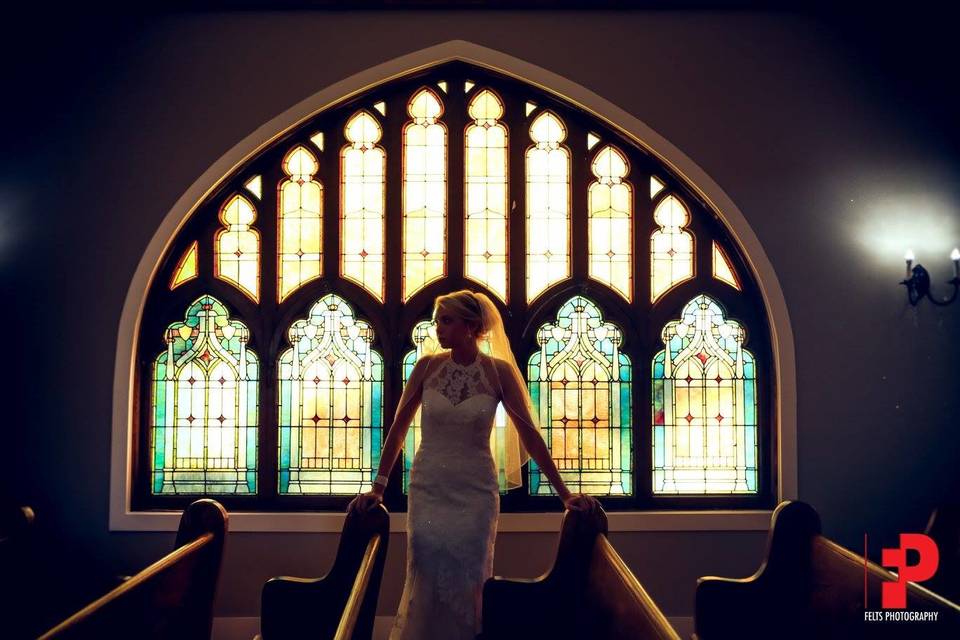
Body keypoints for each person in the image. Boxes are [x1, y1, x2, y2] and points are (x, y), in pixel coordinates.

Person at [347, 289, 600, 639]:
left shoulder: (498, 373)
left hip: (476, 492)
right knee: (425, 566)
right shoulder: (426, 368)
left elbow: (530, 436)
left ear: (472, 326)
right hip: (429, 488)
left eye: (447, 321)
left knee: (470, 574)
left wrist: (564, 494)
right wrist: (379, 486)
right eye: (437, 321)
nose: (438, 329)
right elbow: (398, 429)